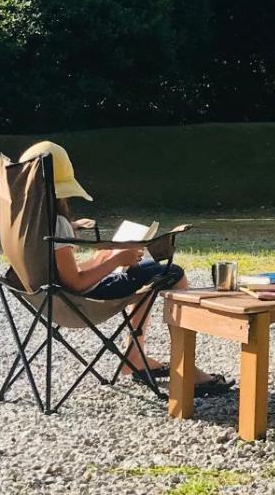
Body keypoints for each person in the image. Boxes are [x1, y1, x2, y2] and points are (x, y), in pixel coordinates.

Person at [19, 141, 229, 394]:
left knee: (145, 272)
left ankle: (135, 357)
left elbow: (63, 273)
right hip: (77, 301)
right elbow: (75, 283)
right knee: (172, 273)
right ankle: (185, 370)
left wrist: (102, 258)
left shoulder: (25, 219)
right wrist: (116, 260)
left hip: (45, 297)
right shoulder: (56, 222)